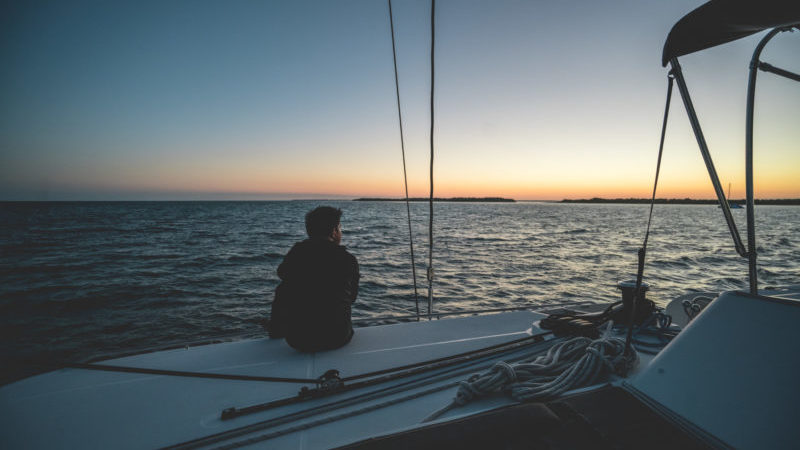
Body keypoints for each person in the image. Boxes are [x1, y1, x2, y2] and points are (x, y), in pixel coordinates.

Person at [268, 206, 360, 352]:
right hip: (337, 337)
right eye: (340, 228)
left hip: (298, 340)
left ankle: (276, 329)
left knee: (284, 287)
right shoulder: (347, 259)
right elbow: (352, 298)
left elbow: (282, 273)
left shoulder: (297, 253)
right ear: (334, 231)